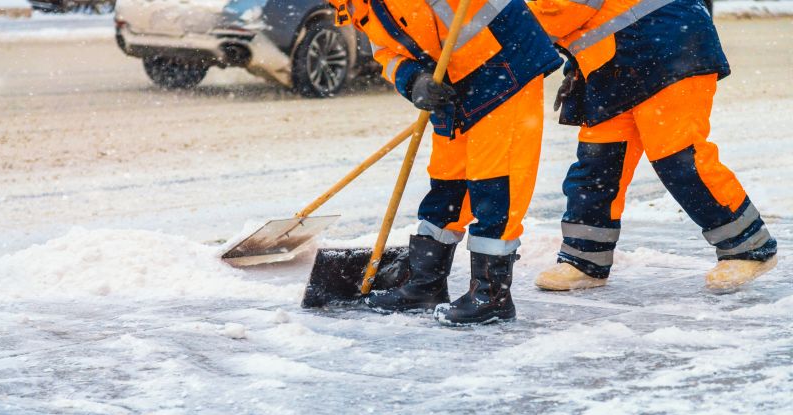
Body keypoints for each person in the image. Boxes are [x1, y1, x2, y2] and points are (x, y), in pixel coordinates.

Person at [327, 0, 561, 324]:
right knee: (447, 182)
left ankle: (492, 296)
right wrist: (414, 81)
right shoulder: (353, 6)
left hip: (504, 62)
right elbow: (387, 54)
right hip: (450, 83)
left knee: (496, 183)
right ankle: (425, 284)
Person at [527, 0, 777, 291]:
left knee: (678, 157)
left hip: (667, 46)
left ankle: (747, 247)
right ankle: (584, 259)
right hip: (612, 62)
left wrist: (503, 32)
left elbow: (558, 9)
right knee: (598, 162)